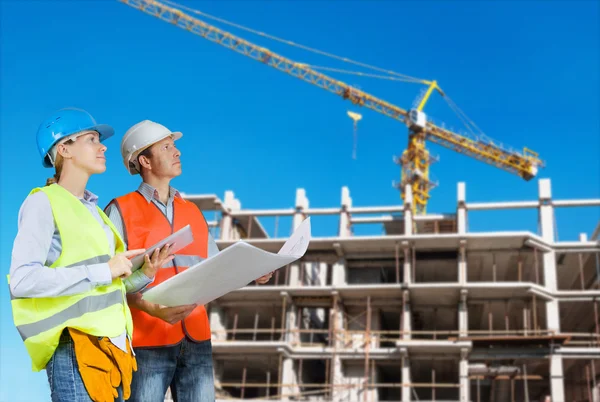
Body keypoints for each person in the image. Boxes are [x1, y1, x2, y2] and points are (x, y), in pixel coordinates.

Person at [8, 108, 171, 402]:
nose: (103, 146)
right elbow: (22, 280)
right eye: (91, 139)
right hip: (77, 345)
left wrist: (144, 274)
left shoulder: (96, 213)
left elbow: (109, 288)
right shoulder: (42, 203)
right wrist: (105, 271)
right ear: (64, 149)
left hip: (116, 351)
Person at [104, 119, 272, 402]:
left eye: (176, 146)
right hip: (146, 341)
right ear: (144, 160)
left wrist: (252, 271)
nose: (177, 152)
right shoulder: (120, 210)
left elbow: (217, 268)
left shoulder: (192, 211)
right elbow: (106, 285)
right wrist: (150, 308)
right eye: (167, 147)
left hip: (196, 339)